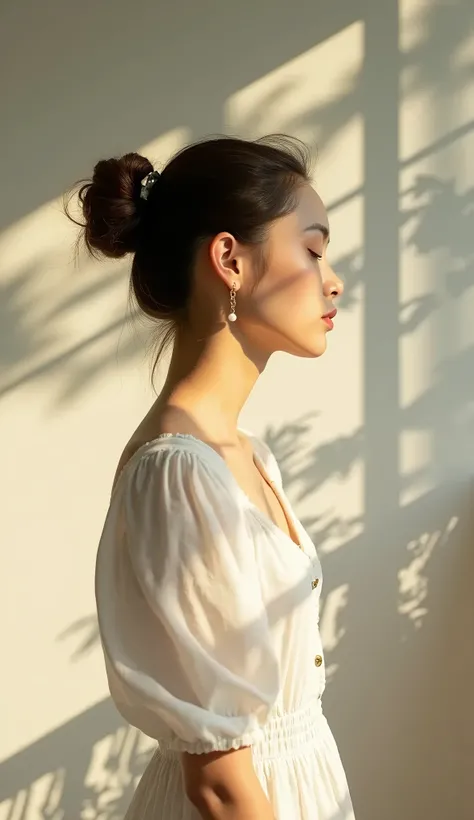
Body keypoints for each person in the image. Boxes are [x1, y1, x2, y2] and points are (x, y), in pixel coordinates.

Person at [72, 135, 355, 819]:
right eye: (313, 250)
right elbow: (221, 784)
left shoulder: (246, 455)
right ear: (229, 258)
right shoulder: (179, 473)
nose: (334, 279)